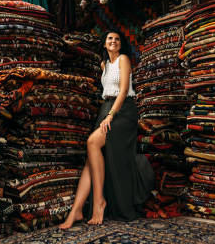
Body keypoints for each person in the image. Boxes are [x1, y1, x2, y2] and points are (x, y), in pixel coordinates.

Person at [60, 31, 153, 228]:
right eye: (110, 39)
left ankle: (99, 202)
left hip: (123, 110)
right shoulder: (104, 65)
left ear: (121, 44)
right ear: (104, 44)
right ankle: (76, 210)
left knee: (92, 142)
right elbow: (107, 93)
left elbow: (123, 90)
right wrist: (106, 113)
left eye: (117, 39)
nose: (114, 41)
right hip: (106, 108)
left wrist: (111, 115)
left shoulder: (124, 59)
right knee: (91, 158)